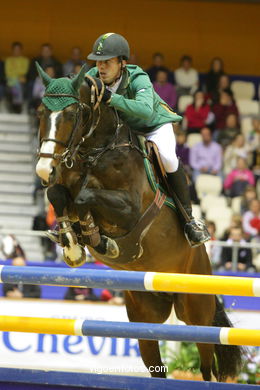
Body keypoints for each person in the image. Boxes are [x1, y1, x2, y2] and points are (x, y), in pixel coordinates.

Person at [85, 32, 210, 248]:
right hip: (123, 131)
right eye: (98, 61)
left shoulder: (138, 77)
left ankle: (189, 221)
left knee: (168, 157)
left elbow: (143, 110)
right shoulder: (91, 76)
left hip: (153, 126)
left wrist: (111, 98)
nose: (101, 67)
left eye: (107, 62)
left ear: (122, 63)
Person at [4, 41, 29, 113]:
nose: (16, 51)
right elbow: (8, 72)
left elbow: (24, 71)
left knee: (18, 86)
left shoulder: (25, 60)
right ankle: (15, 106)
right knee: (14, 86)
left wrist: (15, 72)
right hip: (11, 80)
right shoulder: (8, 60)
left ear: (21, 50)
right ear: (12, 50)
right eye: (15, 49)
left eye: (18, 49)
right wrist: (18, 73)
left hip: (21, 81)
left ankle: (16, 107)